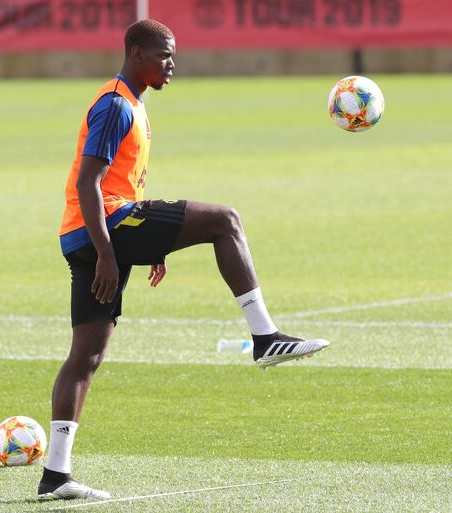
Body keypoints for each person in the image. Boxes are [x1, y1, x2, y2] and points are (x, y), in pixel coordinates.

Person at [37, 19, 330, 501]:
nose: (172, 64)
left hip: (87, 235)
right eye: (164, 55)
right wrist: (111, 253)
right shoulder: (115, 105)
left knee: (85, 356)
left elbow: (116, 183)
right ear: (135, 53)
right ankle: (265, 337)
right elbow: (89, 183)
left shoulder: (131, 102)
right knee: (225, 220)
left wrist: (151, 245)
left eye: (173, 55)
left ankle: (55, 474)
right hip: (104, 229)